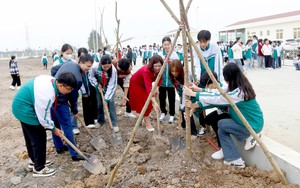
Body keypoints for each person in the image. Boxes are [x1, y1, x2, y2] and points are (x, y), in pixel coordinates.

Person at [184, 63, 264, 168]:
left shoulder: (240, 93)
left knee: (221, 123)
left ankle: (249, 136)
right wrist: (198, 90)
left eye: (226, 79)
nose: (225, 81)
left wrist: (195, 94)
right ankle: (234, 158)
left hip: (252, 124)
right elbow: (217, 93)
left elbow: (218, 98)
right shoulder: (235, 86)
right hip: (245, 121)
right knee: (221, 126)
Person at [12, 72, 76, 177]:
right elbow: (43, 118)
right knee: (39, 137)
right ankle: (39, 168)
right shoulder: (47, 94)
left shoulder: (52, 81)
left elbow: (44, 113)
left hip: (22, 105)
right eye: (68, 89)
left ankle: (34, 161)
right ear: (60, 85)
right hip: (24, 108)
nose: (69, 92)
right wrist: (53, 128)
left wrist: (51, 126)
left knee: (30, 136)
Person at [51, 54, 93, 161]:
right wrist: (74, 110)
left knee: (55, 124)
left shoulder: (69, 63)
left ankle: (59, 147)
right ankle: (74, 154)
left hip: (51, 96)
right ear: (81, 63)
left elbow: (54, 69)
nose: (89, 69)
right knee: (67, 126)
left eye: (90, 66)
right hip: (60, 101)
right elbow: (74, 96)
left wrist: (57, 81)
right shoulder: (78, 79)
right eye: (87, 66)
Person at [192, 30, 224, 135]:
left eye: (204, 42)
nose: (202, 44)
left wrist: (217, 81)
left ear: (209, 40)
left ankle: (221, 122)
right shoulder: (195, 49)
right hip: (202, 79)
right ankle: (202, 126)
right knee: (200, 100)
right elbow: (196, 65)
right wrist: (196, 79)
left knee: (218, 99)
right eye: (200, 42)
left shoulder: (215, 48)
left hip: (213, 79)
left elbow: (218, 64)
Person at [129, 55, 163, 131]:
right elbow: (149, 89)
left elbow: (160, 78)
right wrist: (154, 102)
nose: (158, 68)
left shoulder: (161, 70)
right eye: (156, 66)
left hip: (145, 84)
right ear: (152, 65)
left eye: (159, 66)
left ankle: (143, 116)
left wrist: (157, 88)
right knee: (144, 102)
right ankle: (147, 122)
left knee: (150, 100)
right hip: (136, 83)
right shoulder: (146, 71)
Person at [89, 55, 119, 132]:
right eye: (105, 67)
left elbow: (112, 85)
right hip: (99, 86)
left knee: (111, 102)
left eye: (108, 66)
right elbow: (91, 76)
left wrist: (106, 99)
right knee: (99, 103)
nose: (106, 68)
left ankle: (114, 123)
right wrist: (96, 84)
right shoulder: (94, 67)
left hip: (109, 86)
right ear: (100, 63)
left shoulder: (113, 70)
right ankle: (100, 120)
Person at [169, 59, 198, 135]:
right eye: (172, 71)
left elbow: (190, 88)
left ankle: (193, 132)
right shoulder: (174, 77)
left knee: (186, 110)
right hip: (182, 93)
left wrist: (183, 103)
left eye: (176, 71)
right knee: (182, 109)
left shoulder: (186, 75)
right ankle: (184, 125)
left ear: (180, 70)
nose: (174, 73)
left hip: (190, 94)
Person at [158, 36, 179, 124]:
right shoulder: (160, 54)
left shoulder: (175, 55)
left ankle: (172, 114)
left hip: (171, 82)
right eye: (164, 44)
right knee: (162, 98)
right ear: (162, 45)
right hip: (162, 82)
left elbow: (178, 68)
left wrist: (175, 80)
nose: (166, 46)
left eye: (168, 44)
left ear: (171, 44)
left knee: (171, 99)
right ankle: (163, 113)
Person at [76, 48, 98, 130]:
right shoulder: (78, 67)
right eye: (81, 56)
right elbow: (79, 80)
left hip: (91, 86)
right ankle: (88, 122)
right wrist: (83, 91)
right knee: (86, 103)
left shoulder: (92, 65)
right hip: (83, 87)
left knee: (93, 102)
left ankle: (93, 119)